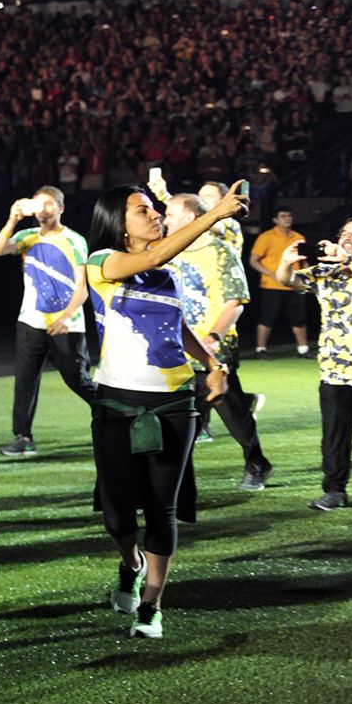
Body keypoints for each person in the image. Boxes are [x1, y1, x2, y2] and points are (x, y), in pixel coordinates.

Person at [86, 183, 245, 639]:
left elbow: (179, 326)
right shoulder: (102, 262)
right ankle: (130, 563)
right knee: (117, 514)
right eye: (143, 210)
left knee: (162, 507)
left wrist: (213, 364)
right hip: (117, 402)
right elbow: (151, 258)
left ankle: (151, 605)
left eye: (155, 209)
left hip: (175, 400)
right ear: (118, 221)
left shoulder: (167, 273)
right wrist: (213, 215)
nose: (155, 214)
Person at [164, 193, 271, 490]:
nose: (164, 218)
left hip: (214, 351)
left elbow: (236, 301)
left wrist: (213, 337)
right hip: (178, 349)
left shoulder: (221, 251)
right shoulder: (166, 251)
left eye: (170, 213)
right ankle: (173, 479)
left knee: (232, 412)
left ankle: (257, 463)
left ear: (189, 217)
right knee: (180, 417)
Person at [0, 186, 96, 457]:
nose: (43, 209)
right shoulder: (27, 236)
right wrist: (12, 219)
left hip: (66, 323)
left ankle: (114, 415)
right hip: (31, 321)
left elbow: (83, 287)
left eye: (49, 204)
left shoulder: (74, 240)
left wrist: (67, 316)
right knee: (25, 381)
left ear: (61, 208)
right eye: (38, 204)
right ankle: (23, 437)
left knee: (77, 379)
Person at [275, 217, 352, 512]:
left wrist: (350, 259)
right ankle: (334, 490)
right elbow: (287, 281)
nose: (347, 236)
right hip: (334, 368)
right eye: (343, 232)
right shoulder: (327, 272)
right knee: (334, 434)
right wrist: (286, 262)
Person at [250, 207, 310, 357]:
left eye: (289, 215)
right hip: (271, 285)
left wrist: (308, 277)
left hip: (294, 284)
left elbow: (304, 261)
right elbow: (253, 260)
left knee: (299, 318)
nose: (287, 218)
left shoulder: (298, 237)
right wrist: (270, 274)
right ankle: (261, 349)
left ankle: (303, 349)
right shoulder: (266, 237)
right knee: (267, 317)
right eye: (283, 216)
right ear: (275, 220)